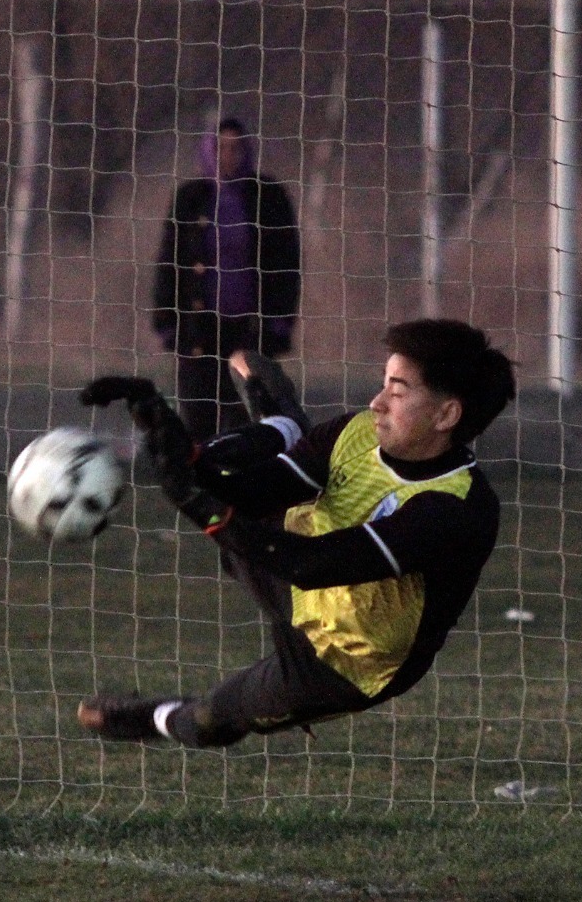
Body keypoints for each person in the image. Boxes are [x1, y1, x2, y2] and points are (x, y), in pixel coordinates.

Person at [76, 319, 516, 749]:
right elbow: (250, 493)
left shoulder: (455, 509)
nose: (378, 402)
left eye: (397, 391)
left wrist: (197, 501)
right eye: (384, 383)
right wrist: (171, 438)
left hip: (343, 662)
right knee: (239, 511)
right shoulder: (356, 432)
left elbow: (312, 565)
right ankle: (283, 426)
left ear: (447, 414)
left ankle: (152, 717)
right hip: (293, 568)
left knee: (212, 719)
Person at [152, 116, 301, 441]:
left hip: (250, 331)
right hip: (199, 330)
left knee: (249, 417)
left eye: (236, 148)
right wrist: (166, 321)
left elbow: (286, 264)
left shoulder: (269, 198)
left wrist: (281, 322)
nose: (229, 155)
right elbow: (169, 261)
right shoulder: (190, 199)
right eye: (221, 147)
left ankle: (242, 484)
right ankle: (200, 486)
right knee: (197, 419)